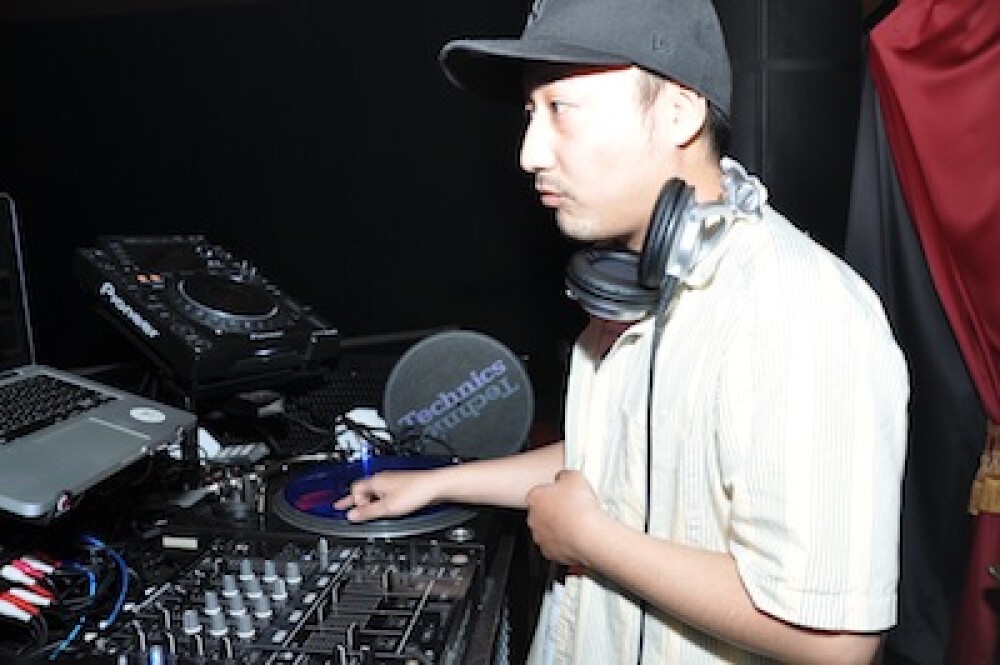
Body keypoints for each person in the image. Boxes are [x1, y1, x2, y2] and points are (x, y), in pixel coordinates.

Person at [335, 0, 910, 662]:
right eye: (530, 113)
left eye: (562, 109)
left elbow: (838, 642)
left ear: (679, 112)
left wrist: (591, 541)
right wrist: (436, 482)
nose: (529, 153)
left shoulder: (800, 314)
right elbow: (610, 456)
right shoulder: (630, 291)